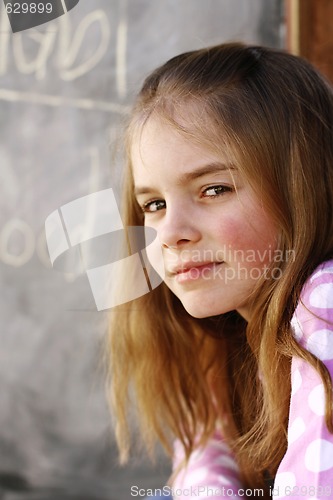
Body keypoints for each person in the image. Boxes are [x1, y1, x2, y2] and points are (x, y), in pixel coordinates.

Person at [107, 43, 333, 499]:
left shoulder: (325, 299)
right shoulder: (222, 331)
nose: (170, 232)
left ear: (301, 185)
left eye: (213, 189)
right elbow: (202, 469)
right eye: (154, 204)